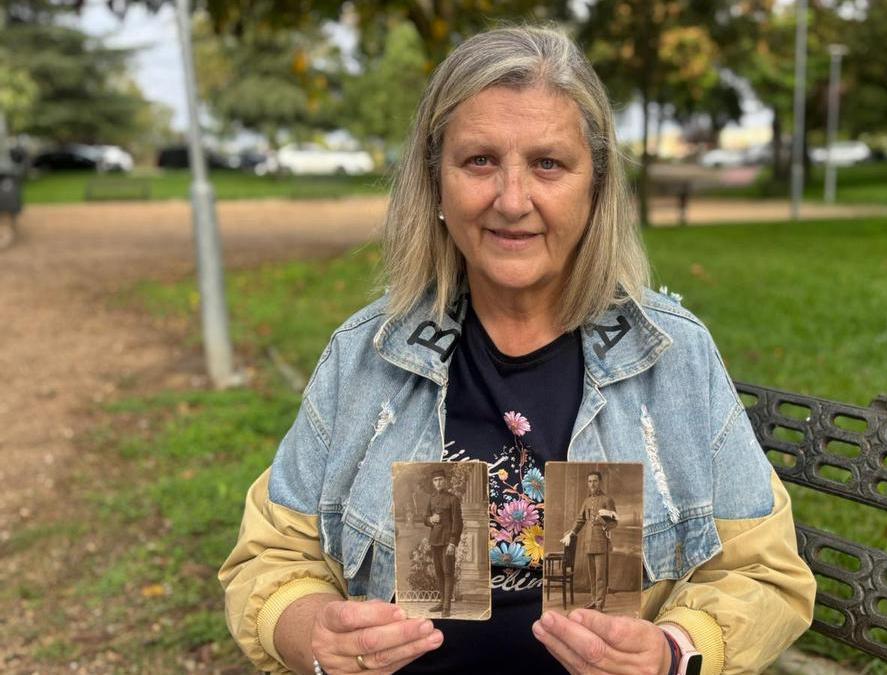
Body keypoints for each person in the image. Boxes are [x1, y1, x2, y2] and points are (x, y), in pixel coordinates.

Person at [219, 26, 815, 675]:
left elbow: (764, 572)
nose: (511, 199)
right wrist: (312, 634)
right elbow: (271, 559)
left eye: (548, 164)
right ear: (435, 181)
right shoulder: (369, 356)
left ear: (596, 186)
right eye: (478, 161)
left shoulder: (670, 356)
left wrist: (672, 652)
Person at [562, 471, 617, 611]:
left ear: (600, 482)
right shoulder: (586, 501)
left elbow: (614, 522)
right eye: (590, 481)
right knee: (592, 575)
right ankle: (594, 599)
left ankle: (599, 604)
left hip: (601, 542)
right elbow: (580, 520)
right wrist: (572, 533)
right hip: (588, 541)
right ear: (588, 484)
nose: (592, 484)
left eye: (595, 481)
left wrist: (603, 521)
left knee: (600, 575)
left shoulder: (607, 500)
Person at [423, 469, 462, 616]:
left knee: (448, 572)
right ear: (433, 483)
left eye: (440, 479)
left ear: (445, 480)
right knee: (439, 572)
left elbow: (458, 524)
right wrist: (430, 519)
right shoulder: (431, 498)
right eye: (435, 480)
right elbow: (425, 518)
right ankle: (441, 602)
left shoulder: (453, 499)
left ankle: (447, 607)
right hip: (435, 540)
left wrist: (453, 543)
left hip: (447, 541)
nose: (438, 482)